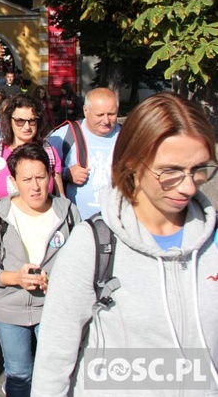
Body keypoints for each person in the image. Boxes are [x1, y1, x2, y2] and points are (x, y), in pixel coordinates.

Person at [32, 92, 218, 395]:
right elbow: (54, 360)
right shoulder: (94, 244)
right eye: (170, 171)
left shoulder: (214, 240)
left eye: (199, 169)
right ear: (133, 162)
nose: (188, 186)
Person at [0, 143, 81, 396]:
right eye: (26, 179)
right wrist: (14, 278)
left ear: (50, 175)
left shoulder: (68, 213)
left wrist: (56, 281)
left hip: (53, 310)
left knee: (56, 373)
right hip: (9, 310)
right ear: (13, 181)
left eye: (41, 177)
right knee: (19, 374)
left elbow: (82, 268)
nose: (35, 186)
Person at [46, 87, 121, 219]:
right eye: (100, 115)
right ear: (85, 111)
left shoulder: (128, 136)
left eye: (111, 114)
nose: (106, 121)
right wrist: (66, 173)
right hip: (78, 224)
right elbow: (40, 169)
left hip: (119, 223)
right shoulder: (65, 135)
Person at [0, 93, 63, 201]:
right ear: (9, 121)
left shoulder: (49, 153)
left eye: (32, 121)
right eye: (20, 121)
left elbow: (61, 199)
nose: (27, 127)